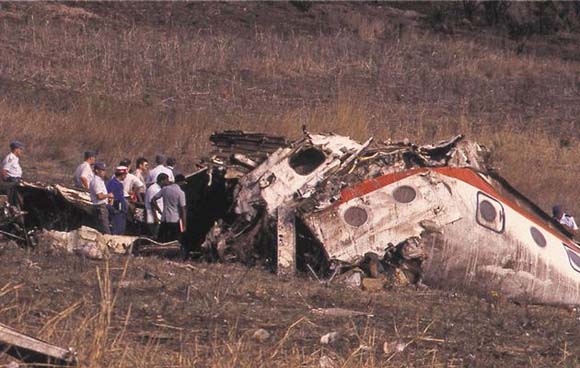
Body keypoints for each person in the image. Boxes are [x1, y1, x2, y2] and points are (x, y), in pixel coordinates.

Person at [150, 173, 186, 245]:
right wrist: (184, 224)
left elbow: (153, 200)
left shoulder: (165, 189)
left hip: (164, 218)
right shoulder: (181, 193)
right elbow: (183, 209)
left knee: (161, 240)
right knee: (174, 241)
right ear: (181, 182)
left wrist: (159, 210)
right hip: (174, 219)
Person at [90, 162, 113, 234]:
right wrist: (108, 195)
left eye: (104, 170)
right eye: (102, 170)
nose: (104, 172)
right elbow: (99, 196)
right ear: (96, 170)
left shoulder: (100, 180)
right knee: (105, 230)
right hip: (100, 207)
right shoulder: (96, 181)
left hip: (102, 206)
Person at [106, 166, 129, 235]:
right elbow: (110, 196)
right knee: (116, 230)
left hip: (121, 210)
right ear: (122, 174)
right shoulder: (112, 183)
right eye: (125, 175)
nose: (125, 177)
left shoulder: (120, 184)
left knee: (121, 229)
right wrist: (113, 209)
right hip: (116, 210)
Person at [145, 173, 164, 238]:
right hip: (154, 216)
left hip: (158, 215)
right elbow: (152, 203)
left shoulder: (158, 188)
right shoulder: (153, 189)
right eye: (166, 180)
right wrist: (155, 217)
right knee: (155, 235)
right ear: (162, 180)